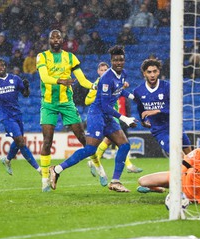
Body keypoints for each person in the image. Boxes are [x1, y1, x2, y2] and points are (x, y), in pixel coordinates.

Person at [49, 45, 138, 193]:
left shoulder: (123, 74)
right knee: (90, 149)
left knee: (124, 145)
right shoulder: (106, 78)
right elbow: (104, 105)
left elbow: (119, 90)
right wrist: (124, 118)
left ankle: (115, 181)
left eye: (121, 60)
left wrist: (133, 97)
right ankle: (57, 169)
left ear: (124, 61)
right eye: (115, 60)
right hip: (97, 114)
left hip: (108, 115)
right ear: (111, 61)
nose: (118, 63)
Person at [37, 30, 97, 192]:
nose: (56, 39)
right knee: (47, 141)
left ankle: (93, 161)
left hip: (67, 103)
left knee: (83, 138)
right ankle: (44, 179)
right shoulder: (42, 57)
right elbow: (44, 78)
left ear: (62, 40)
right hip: (49, 103)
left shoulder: (70, 57)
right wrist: (61, 80)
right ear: (49, 40)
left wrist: (94, 86)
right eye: (53, 37)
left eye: (58, 37)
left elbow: (82, 80)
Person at [0, 58, 41, 175]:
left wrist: (27, 87)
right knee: (20, 142)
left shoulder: (15, 79)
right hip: (6, 116)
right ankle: (39, 170)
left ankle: (7, 160)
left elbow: (25, 95)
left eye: (3, 65)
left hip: (17, 115)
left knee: (18, 141)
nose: (1, 67)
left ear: (6, 67)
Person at [85, 61, 143, 177]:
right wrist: (99, 96)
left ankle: (94, 161)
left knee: (113, 140)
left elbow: (119, 90)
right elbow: (86, 101)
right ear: (98, 72)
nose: (103, 72)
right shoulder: (96, 84)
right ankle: (128, 165)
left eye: (105, 70)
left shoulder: (112, 79)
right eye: (101, 70)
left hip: (113, 112)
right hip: (103, 113)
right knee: (116, 140)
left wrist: (127, 91)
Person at [133, 58, 192, 155]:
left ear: (158, 72)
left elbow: (176, 109)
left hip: (174, 126)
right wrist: (143, 121)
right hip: (159, 130)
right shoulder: (138, 91)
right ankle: (184, 169)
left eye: (154, 71)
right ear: (144, 73)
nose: (152, 75)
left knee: (190, 155)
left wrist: (157, 110)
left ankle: (191, 169)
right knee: (176, 154)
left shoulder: (167, 87)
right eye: (149, 72)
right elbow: (140, 108)